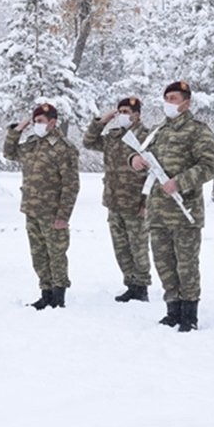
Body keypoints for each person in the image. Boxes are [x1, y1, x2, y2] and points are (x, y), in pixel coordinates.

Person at [129, 82, 214, 331]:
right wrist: (134, 160)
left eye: (174, 97)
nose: (168, 102)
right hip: (157, 211)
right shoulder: (158, 130)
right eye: (166, 97)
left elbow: (210, 165)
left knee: (186, 266)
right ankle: (173, 310)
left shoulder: (197, 131)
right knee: (164, 264)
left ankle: (189, 314)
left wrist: (180, 182)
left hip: (183, 212)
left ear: (186, 102)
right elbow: (142, 155)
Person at [3, 103, 80, 310]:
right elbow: (9, 153)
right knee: (38, 254)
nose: (36, 125)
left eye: (40, 121)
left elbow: (71, 185)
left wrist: (63, 215)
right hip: (32, 209)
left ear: (52, 122)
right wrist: (18, 129)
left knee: (56, 254)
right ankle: (45, 293)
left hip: (52, 211)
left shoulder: (64, 148)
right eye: (35, 121)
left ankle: (58, 296)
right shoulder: (31, 144)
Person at [83, 96, 153, 302]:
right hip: (114, 201)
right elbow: (88, 142)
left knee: (138, 246)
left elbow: (154, 173)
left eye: (127, 111)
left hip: (135, 202)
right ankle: (130, 283)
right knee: (121, 247)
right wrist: (101, 122)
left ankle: (142, 286)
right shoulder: (113, 136)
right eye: (120, 111)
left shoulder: (148, 137)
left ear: (137, 115)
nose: (123, 115)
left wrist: (146, 202)